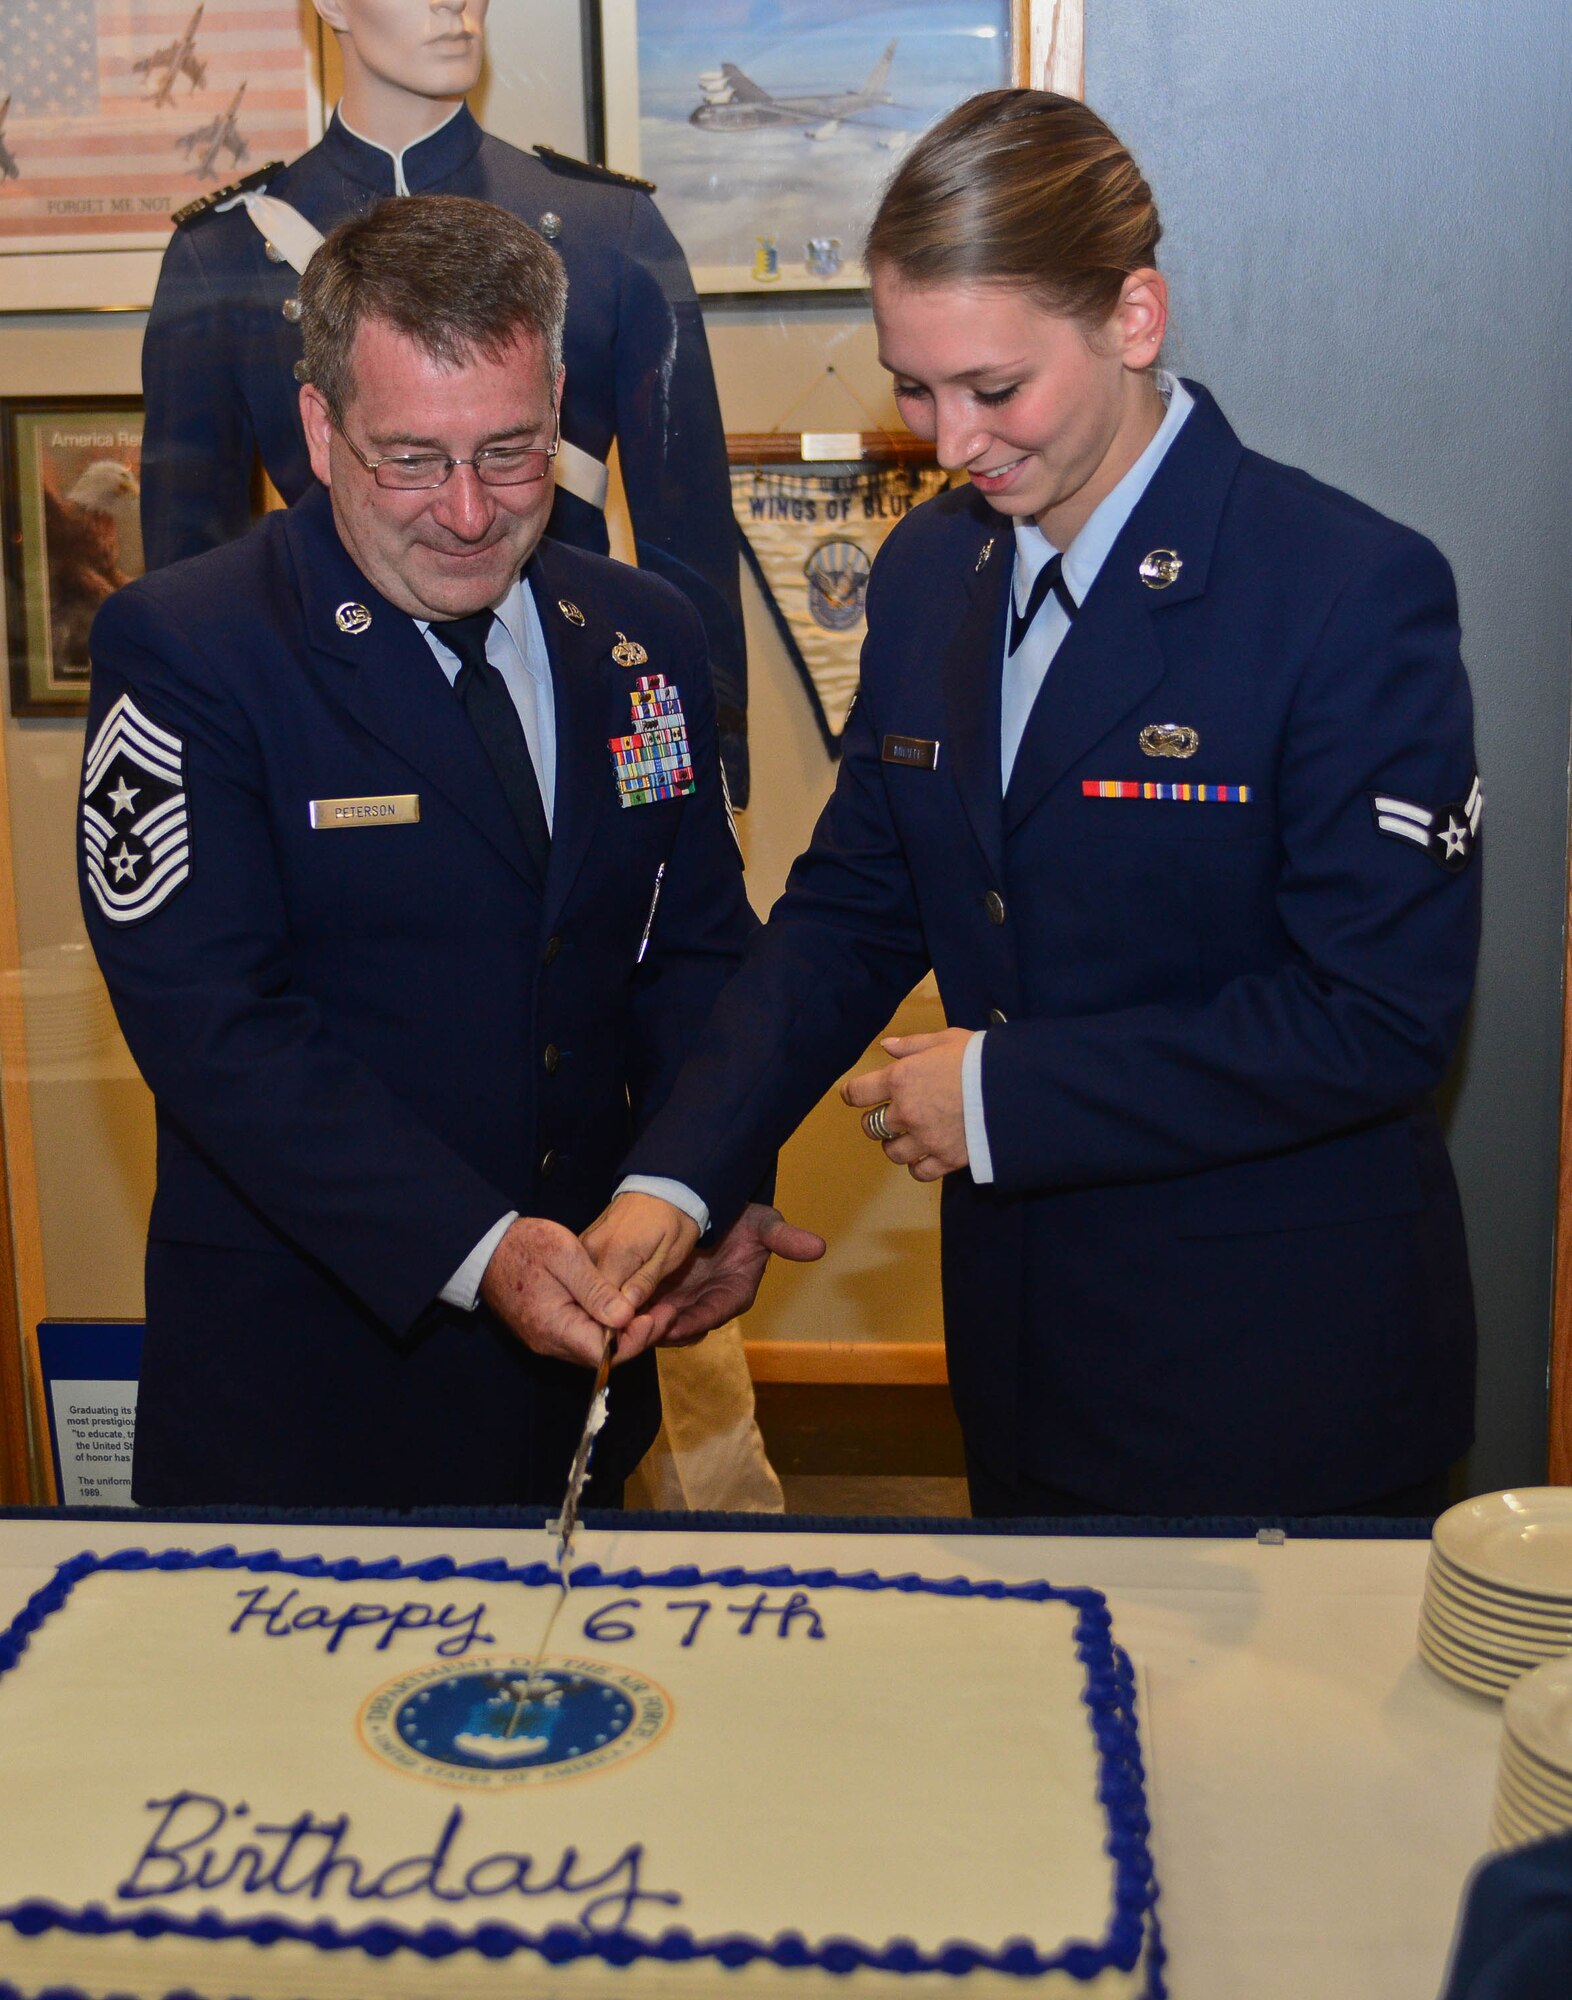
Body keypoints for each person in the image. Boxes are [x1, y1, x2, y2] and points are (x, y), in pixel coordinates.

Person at [582, 90, 1482, 1519]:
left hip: (1279, 1371)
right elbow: (850, 912)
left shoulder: (1342, 590)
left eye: (995, 390)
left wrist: (1001, 1094)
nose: (948, 441)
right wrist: (679, 1179)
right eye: (915, 387)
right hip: (1021, 1362)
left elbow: (1375, 1016)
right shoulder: (936, 572)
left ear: (1135, 317)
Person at [79, 194, 815, 1509]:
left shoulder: (641, 636)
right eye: (411, 459)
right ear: (319, 430)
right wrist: (483, 1253)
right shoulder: (191, 652)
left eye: (513, 452)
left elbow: (693, 939)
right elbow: (217, 1030)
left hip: (582, 1385)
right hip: (308, 1393)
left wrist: (709, 1178)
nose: (470, 514)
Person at [138, 0, 751, 799]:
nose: (454, 5)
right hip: (337, 727)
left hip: (572, 706)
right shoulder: (221, 259)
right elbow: (193, 574)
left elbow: (688, 543)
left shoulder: (612, 230)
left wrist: (706, 790)